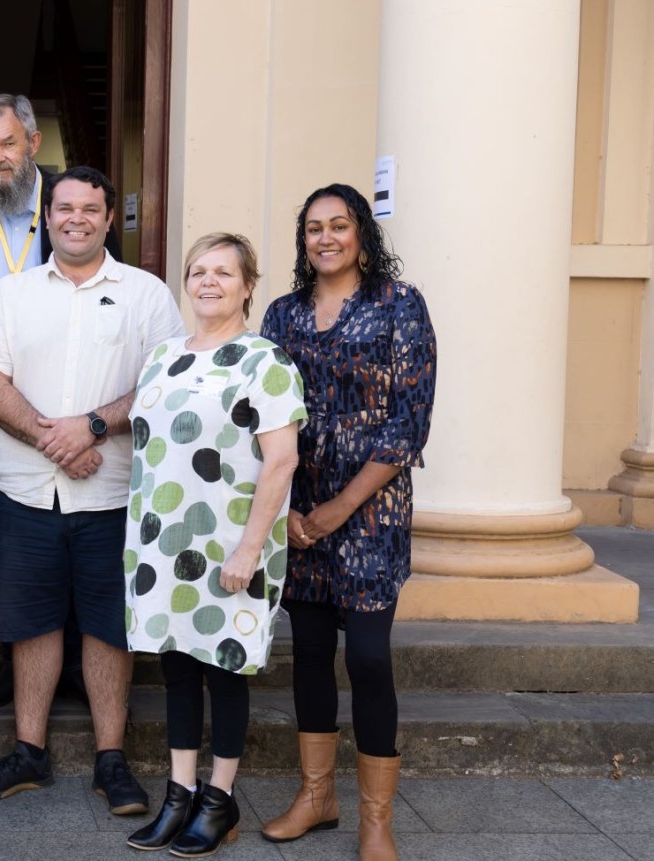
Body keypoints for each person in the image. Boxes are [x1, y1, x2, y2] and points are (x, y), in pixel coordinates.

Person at [0, 167, 183, 814]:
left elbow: (165, 386)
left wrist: (91, 426)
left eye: (90, 209)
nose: (76, 219)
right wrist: (50, 437)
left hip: (115, 492)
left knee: (108, 628)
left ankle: (110, 760)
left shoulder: (146, 295)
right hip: (23, 490)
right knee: (30, 625)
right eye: (64, 208)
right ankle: (29, 752)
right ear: (47, 216)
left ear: (110, 217)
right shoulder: (13, 292)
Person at [258, 183, 436, 861]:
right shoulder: (282, 314)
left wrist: (338, 507)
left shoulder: (399, 306)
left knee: (365, 657)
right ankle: (316, 796)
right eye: (313, 228)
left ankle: (377, 820)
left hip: (371, 512)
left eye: (338, 225)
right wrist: (291, 509)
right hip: (297, 510)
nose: (325, 238)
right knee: (306, 655)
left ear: (362, 231)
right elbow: (263, 412)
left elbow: (407, 423)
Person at [0, 93, 116, 710]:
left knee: (67, 527)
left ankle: (68, 667)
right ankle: (16, 663)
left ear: (34, 143)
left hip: (66, 398)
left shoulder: (69, 202)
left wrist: (75, 427)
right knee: (8, 535)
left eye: (6, 144)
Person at [121, 234, 304, 857]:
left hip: (231, 544)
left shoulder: (266, 361)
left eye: (223, 273)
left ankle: (218, 802)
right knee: (176, 668)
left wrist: (250, 549)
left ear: (248, 285)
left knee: (224, 671)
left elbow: (281, 463)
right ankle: (179, 793)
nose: (207, 282)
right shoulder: (163, 356)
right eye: (197, 271)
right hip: (163, 544)